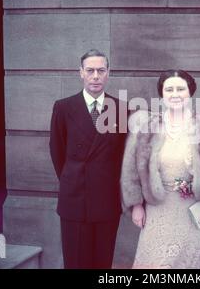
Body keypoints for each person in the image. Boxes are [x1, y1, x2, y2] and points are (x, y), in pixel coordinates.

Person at [120, 70, 200, 269]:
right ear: (162, 94)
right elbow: (131, 169)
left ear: (190, 92)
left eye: (180, 89)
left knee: (184, 265)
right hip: (157, 207)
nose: (175, 94)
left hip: (191, 209)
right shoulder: (147, 125)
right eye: (169, 89)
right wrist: (136, 204)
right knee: (154, 262)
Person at [49, 49, 126, 269]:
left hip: (106, 201)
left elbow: (122, 155)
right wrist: (73, 179)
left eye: (101, 70)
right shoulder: (63, 107)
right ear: (80, 72)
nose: (95, 76)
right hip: (74, 199)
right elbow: (57, 151)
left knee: (103, 263)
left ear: (108, 73)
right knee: (75, 262)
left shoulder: (121, 109)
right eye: (90, 70)